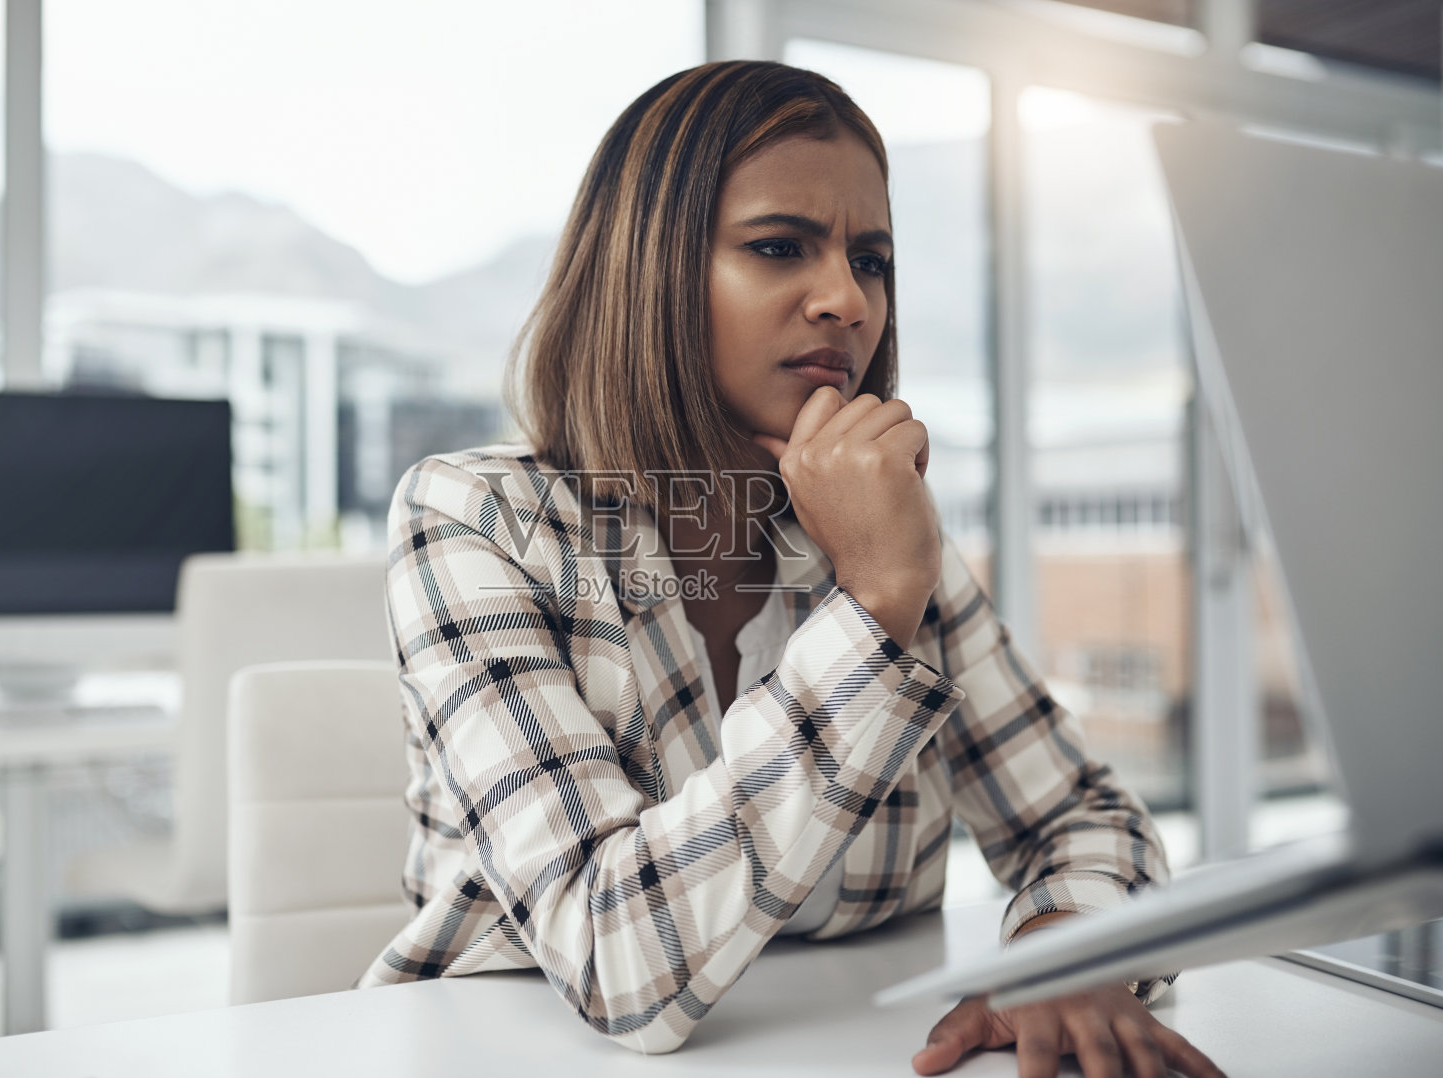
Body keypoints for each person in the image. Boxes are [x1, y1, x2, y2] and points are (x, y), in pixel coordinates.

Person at [358, 60, 1223, 1078]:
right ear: (647, 272)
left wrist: (1065, 945)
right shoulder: (477, 517)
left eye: (872, 259)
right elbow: (615, 957)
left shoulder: (876, 525)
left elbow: (1085, 816)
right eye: (779, 248)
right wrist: (874, 609)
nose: (846, 301)